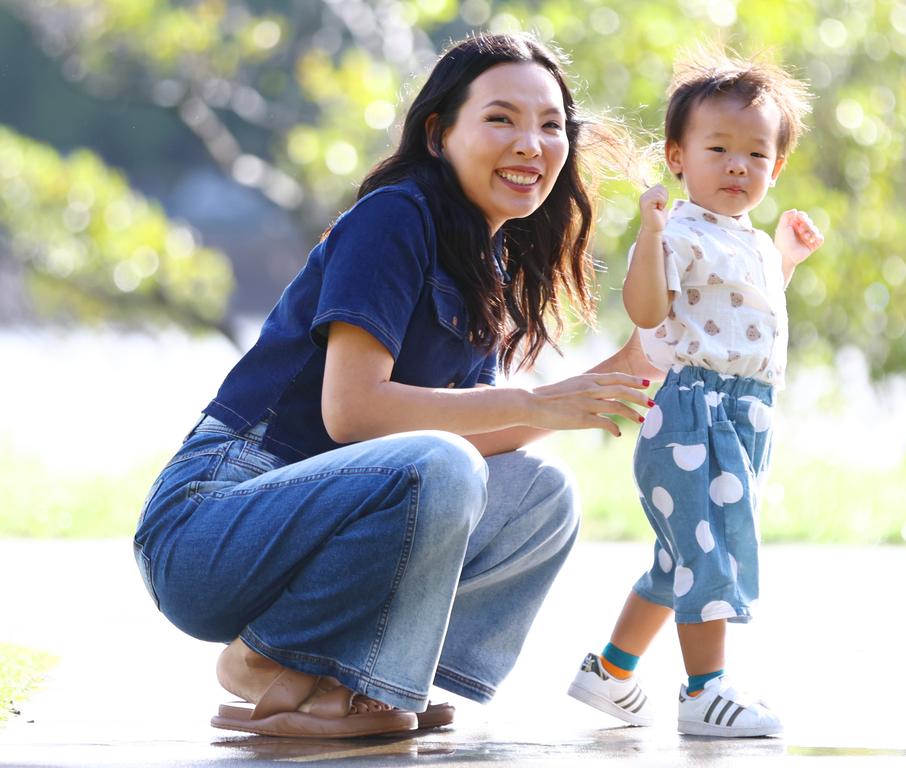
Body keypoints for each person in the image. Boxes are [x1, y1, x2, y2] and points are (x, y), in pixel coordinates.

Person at [132, 32, 657, 740]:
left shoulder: (485, 263)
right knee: (444, 461)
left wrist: (607, 381)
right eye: (501, 118)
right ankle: (273, 663)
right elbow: (353, 413)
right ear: (439, 134)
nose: (532, 143)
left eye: (552, 125)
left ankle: (350, 682)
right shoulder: (395, 216)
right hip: (210, 529)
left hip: (310, 525)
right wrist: (537, 402)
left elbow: (473, 441)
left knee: (543, 495)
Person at [567, 47, 824, 737]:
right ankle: (705, 691)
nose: (738, 165)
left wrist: (788, 261)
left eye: (756, 155)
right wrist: (649, 234)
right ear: (678, 156)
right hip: (691, 412)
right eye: (719, 148)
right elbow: (650, 314)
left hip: (743, 415)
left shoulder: (753, 243)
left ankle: (611, 672)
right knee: (708, 554)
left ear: (776, 167)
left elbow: (743, 322)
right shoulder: (677, 231)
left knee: (679, 556)